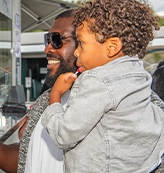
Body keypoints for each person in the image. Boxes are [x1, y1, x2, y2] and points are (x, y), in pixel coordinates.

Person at [0, 10, 164, 173]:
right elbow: (29, 158)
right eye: (47, 39)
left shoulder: (136, 102)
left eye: (57, 40)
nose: (48, 48)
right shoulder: (47, 100)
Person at [41, 0, 164, 172]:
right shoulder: (140, 74)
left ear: (112, 47)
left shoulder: (97, 81)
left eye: (81, 43)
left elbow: (63, 135)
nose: (77, 51)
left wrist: (55, 95)